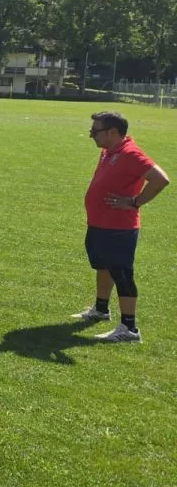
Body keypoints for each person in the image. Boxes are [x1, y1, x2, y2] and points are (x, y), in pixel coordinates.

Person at [73, 111, 169, 342]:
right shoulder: (109, 151)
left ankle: (129, 328)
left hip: (119, 227)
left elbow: (161, 179)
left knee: (122, 273)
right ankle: (101, 309)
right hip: (100, 223)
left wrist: (135, 202)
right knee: (103, 266)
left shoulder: (131, 154)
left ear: (113, 132)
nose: (91, 135)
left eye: (95, 131)